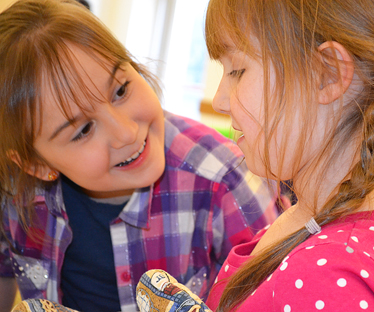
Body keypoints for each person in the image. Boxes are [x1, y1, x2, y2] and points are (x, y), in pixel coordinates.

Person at [132, 0, 374, 311]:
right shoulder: (307, 220)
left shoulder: (332, 282)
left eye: (238, 70)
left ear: (327, 73)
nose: (219, 100)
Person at [0, 1, 280, 311]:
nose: (127, 133)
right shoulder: (13, 195)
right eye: (83, 130)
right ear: (34, 163)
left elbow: (279, 295)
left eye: (120, 91)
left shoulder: (224, 177)